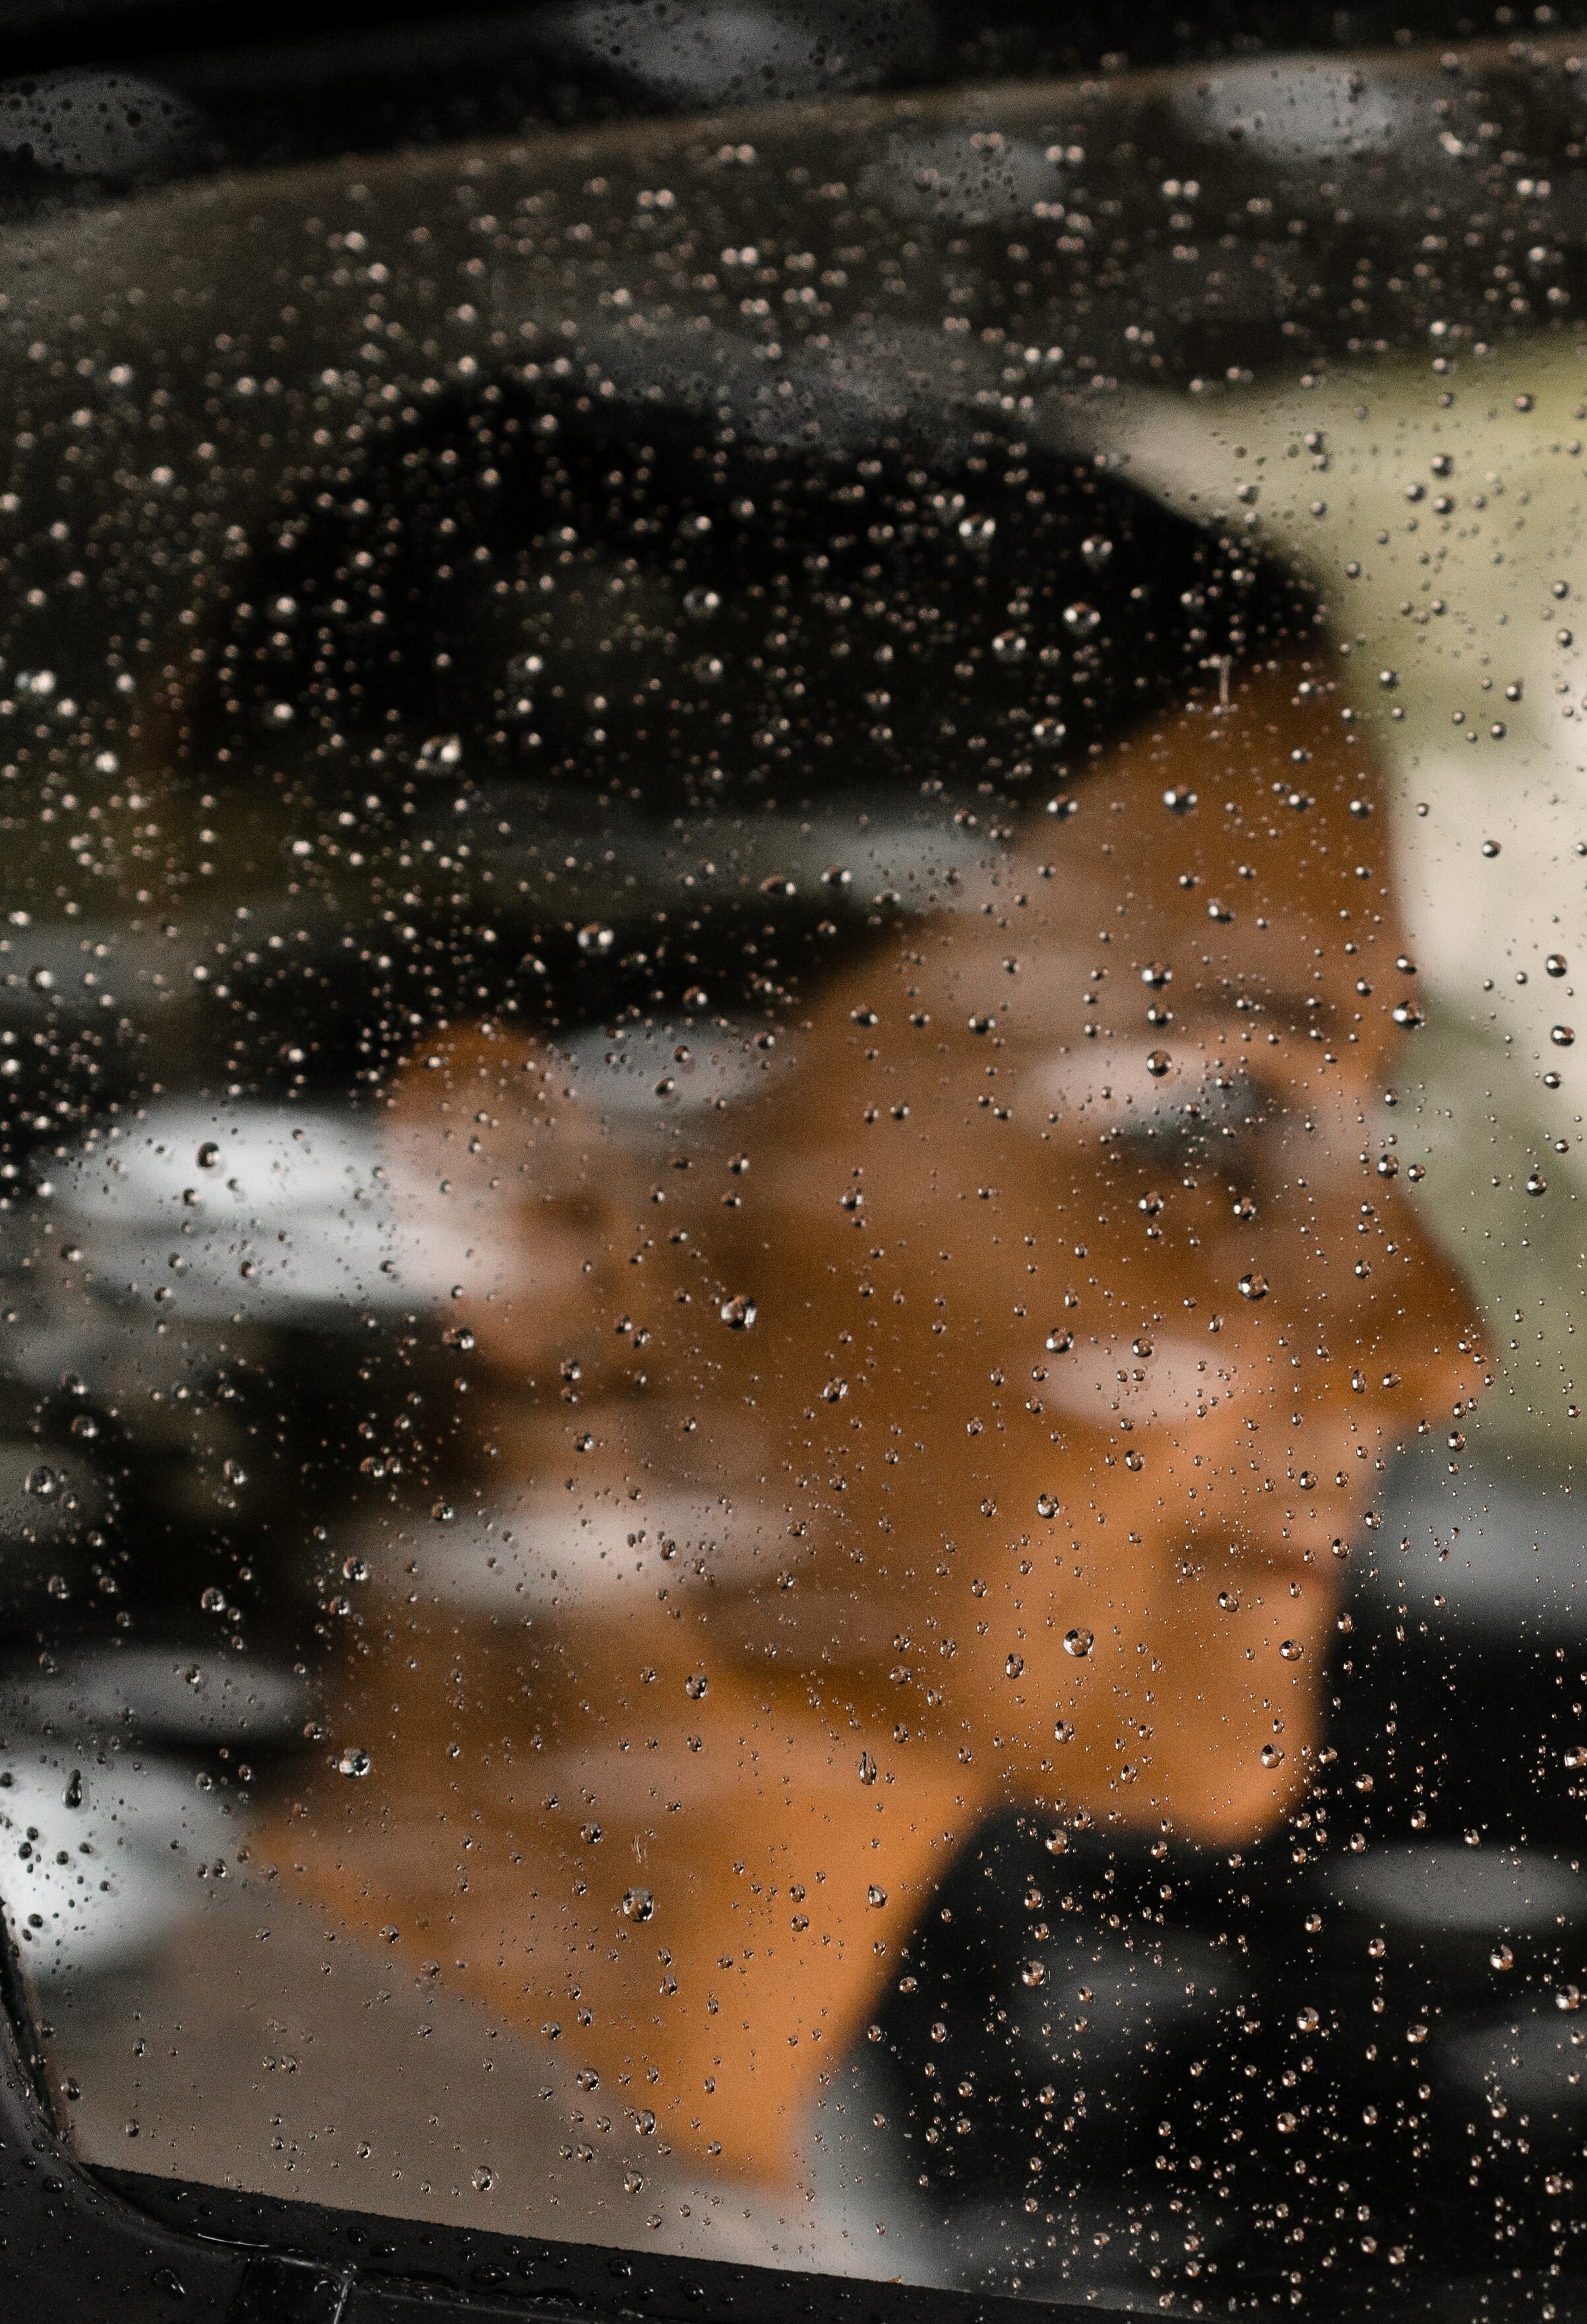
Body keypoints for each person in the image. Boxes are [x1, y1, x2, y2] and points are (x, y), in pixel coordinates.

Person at [52, 371, 1479, 2261]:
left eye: (1382, 1119)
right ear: (545, 1214)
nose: (1431, 1340)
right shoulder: (257, 2236)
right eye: (1202, 1122)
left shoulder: (588, 2185)